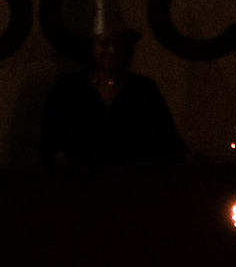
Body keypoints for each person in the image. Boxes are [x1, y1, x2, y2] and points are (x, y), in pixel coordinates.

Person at [41, 28, 184, 169]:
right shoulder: (67, 90)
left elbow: (167, 141)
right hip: (80, 185)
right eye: (104, 44)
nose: (113, 50)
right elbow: (50, 142)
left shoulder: (145, 90)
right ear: (92, 46)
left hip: (133, 184)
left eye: (119, 44)